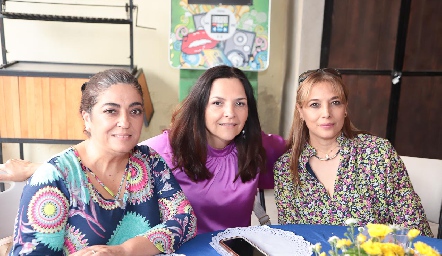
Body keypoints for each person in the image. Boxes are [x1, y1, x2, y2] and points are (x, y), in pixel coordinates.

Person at [0, 65, 286, 235]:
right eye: (217, 103)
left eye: (240, 103)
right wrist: (34, 169)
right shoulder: (169, 147)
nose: (230, 114)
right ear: (199, 107)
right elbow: (105, 162)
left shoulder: (258, 145)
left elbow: (305, 152)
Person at [6, 69, 197, 255]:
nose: (125, 122)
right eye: (111, 111)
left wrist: (125, 251)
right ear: (87, 118)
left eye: (135, 111)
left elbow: (186, 220)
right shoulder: (54, 179)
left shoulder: (150, 161)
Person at [273, 68, 433, 237]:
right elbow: (290, 237)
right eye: (315, 105)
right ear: (300, 111)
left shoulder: (378, 153)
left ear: (345, 108)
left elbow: (415, 230)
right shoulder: (286, 168)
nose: (326, 113)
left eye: (335, 102)